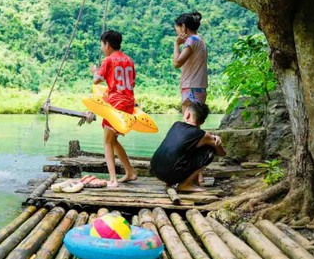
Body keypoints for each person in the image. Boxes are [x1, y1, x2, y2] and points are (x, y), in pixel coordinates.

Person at [91, 30, 139, 188]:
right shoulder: (129, 60)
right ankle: (130, 172)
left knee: (106, 141)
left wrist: (94, 72)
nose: (102, 48)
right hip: (128, 103)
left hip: (115, 104)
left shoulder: (108, 60)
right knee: (113, 140)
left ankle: (112, 180)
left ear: (107, 44)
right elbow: (132, 83)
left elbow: (97, 81)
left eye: (102, 45)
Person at [150, 103, 226, 192]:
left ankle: (171, 180)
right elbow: (222, 154)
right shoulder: (203, 135)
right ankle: (184, 185)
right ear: (202, 122)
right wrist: (216, 141)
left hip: (154, 169)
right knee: (209, 151)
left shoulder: (176, 125)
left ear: (187, 115)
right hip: (169, 173)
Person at [172, 12, 208, 107]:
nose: (178, 34)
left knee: (189, 120)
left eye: (177, 30)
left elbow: (177, 63)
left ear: (183, 27)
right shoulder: (199, 39)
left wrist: (176, 44)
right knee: (194, 120)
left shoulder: (191, 40)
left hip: (191, 88)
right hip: (199, 87)